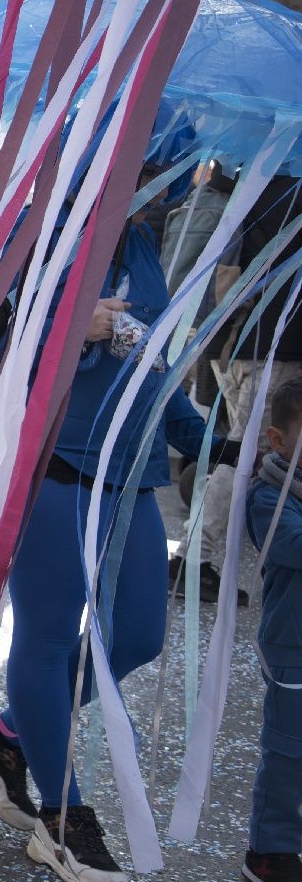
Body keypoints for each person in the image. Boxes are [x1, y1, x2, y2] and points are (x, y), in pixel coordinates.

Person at [0, 147, 235, 882]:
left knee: (141, 635)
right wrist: (72, 327)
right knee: (51, 635)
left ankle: (13, 730)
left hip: (134, 481)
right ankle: (63, 819)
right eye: (154, 158)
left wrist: (211, 440)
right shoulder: (37, 232)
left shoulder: (145, 241)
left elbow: (153, 368)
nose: (172, 175)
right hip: (56, 472)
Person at [189, 174, 302, 606]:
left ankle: (198, 555)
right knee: (245, 449)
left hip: (236, 337)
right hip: (271, 344)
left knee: (242, 447)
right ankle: (194, 559)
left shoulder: (257, 175)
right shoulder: (288, 184)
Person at [243, 376, 302, 882]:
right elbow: (292, 545)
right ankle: (271, 851)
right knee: (289, 754)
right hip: (293, 650)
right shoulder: (270, 497)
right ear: (278, 439)